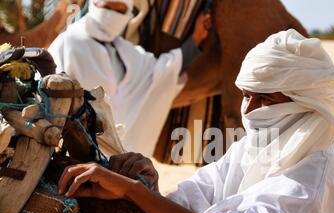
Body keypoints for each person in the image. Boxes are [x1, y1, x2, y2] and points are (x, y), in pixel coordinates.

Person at [58, 29, 334, 213]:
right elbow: (192, 201)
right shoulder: (252, 149)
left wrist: (136, 193)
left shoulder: (315, 177)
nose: (250, 110)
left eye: (266, 100)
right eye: (247, 96)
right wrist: (146, 182)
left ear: (306, 103)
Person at [48, 0, 211, 157]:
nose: (112, 16)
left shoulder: (125, 51)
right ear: (94, 4)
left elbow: (162, 71)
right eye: (107, 8)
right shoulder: (68, 43)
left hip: (119, 161)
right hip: (73, 154)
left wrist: (195, 40)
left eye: (120, 11)